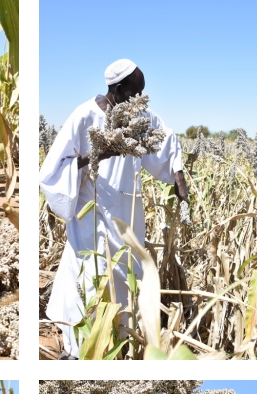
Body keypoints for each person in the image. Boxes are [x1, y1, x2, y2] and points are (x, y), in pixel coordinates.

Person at [39, 59, 189, 359]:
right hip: (90, 212)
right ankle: (83, 345)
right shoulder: (84, 116)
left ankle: (123, 340)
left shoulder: (138, 117)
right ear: (119, 90)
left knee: (127, 274)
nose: (139, 101)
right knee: (91, 276)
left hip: (127, 211)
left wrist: (180, 182)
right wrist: (98, 154)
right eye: (134, 93)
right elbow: (53, 171)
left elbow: (166, 142)